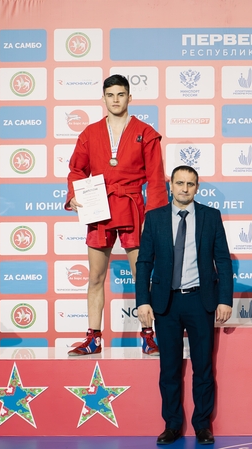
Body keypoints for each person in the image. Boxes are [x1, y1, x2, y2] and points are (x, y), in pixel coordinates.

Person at [65, 74, 168, 356]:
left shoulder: (145, 132)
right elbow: (76, 169)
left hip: (133, 206)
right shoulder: (90, 133)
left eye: (121, 94)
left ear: (129, 97)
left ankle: (148, 336)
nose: (115, 100)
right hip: (99, 205)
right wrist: (73, 194)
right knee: (96, 276)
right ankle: (94, 338)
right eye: (110, 95)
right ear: (103, 99)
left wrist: (154, 219)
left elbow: (156, 179)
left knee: (141, 275)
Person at [136, 165, 233, 445]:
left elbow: (222, 260)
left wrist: (224, 299)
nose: (184, 188)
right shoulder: (154, 218)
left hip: (200, 301)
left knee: (203, 367)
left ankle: (202, 425)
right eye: (179, 183)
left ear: (197, 187)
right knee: (169, 368)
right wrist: (143, 301)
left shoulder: (211, 217)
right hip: (165, 303)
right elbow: (144, 263)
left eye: (190, 184)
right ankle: (172, 425)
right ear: (171, 186)